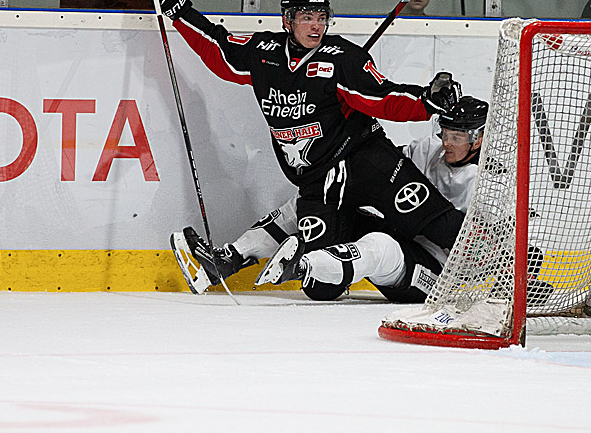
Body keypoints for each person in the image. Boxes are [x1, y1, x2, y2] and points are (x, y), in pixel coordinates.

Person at [140, 0, 466, 291]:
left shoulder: (343, 58)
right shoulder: (264, 53)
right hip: (317, 180)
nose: (316, 26)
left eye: (322, 17)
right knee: (318, 285)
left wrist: (426, 101)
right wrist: (179, 10)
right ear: (288, 20)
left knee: (439, 225)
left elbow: (381, 97)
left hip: (366, 162)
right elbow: (219, 49)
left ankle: (511, 271)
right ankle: (233, 259)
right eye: (307, 17)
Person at [174, 96, 490, 303]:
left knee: (379, 246)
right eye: (445, 132)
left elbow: (489, 249)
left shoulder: (486, 184)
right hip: (402, 233)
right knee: (316, 197)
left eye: (457, 137)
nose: (447, 142)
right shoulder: (428, 148)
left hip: (433, 274)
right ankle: (226, 259)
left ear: (478, 139)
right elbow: (381, 176)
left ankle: (302, 266)